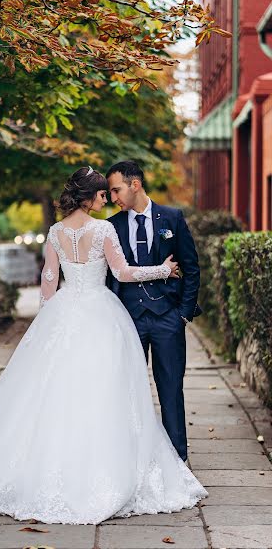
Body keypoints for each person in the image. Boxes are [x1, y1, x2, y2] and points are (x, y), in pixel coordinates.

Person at [0, 166, 207, 525]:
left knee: (58, 393)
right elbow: (122, 273)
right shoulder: (104, 228)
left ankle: (54, 466)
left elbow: (48, 282)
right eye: (102, 194)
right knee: (106, 392)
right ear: (90, 196)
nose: (107, 198)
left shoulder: (56, 232)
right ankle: (110, 464)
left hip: (64, 313)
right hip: (100, 314)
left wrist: (48, 323)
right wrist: (161, 270)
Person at [106, 161, 202, 462]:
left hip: (167, 319)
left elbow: (191, 266)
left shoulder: (172, 218)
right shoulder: (112, 226)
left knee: (171, 389)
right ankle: (132, 460)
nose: (113, 198)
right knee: (129, 391)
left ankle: (177, 459)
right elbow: (110, 276)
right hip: (129, 319)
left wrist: (183, 314)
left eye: (116, 190)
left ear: (135, 185)